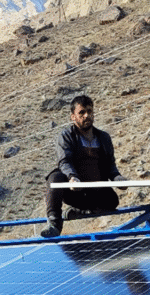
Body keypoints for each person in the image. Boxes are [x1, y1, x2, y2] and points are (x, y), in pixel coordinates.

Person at [41, 95, 128, 238]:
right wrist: (72, 177)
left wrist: (118, 178)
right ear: (73, 117)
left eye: (89, 111)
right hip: (76, 193)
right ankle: (54, 223)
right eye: (81, 112)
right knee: (55, 177)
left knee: (112, 201)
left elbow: (110, 165)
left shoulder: (104, 138)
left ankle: (83, 212)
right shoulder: (66, 136)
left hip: (97, 193)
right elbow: (64, 162)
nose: (86, 115)